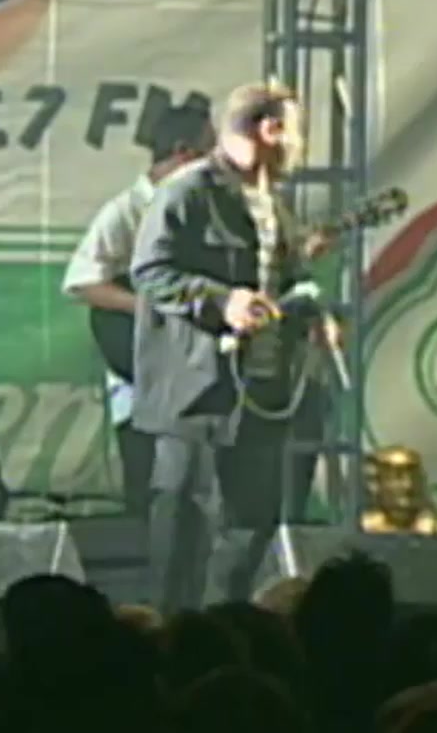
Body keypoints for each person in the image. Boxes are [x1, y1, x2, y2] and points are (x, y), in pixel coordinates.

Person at [130, 82, 344, 612]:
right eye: (294, 132)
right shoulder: (188, 192)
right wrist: (222, 301)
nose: (298, 145)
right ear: (269, 130)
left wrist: (313, 313)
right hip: (199, 393)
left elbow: (290, 277)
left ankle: (228, 627)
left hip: (262, 392)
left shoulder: (275, 204)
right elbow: (151, 271)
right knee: (186, 526)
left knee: (252, 523)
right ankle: (171, 633)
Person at [60, 107, 216, 520]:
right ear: (183, 153)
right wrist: (147, 307)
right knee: (147, 483)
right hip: (139, 363)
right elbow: (82, 282)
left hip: (195, 367)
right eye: (209, 152)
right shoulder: (126, 211)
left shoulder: (209, 212)